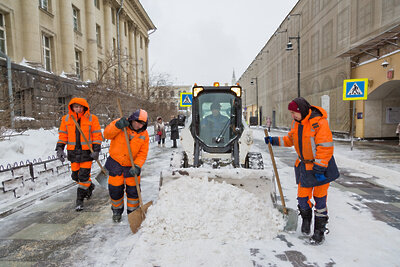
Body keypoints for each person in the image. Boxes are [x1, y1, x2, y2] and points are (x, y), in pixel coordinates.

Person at [264, 97, 339, 245]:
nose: (292, 116)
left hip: (320, 168)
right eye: (291, 113)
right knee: (302, 199)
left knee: (320, 200)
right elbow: (290, 140)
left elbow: (325, 146)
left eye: (294, 113)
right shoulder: (297, 124)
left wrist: (320, 166)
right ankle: (306, 218)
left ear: (302, 110)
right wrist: (274, 140)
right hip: (305, 167)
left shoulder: (318, 123)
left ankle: (319, 231)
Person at [55, 97, 102, 211]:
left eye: (80, 107)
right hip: (73, 153)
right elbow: (63, 135)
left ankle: (79, 200)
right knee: (75, 176)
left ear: (84, 107)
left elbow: (96, 135)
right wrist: (60, 149)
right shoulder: (66, 119)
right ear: (72, 107)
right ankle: (89, 186)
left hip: (87, 153)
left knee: (83, 176)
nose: (78, 109)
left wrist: (96, 150)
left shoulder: (92, 119)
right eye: (76, 106)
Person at [103, 109, 149, 222]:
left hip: (132, 166)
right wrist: (117, 127)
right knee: (115, 190)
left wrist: (137, 166)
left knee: (134, 192)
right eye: (137, 122)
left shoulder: (144, 134)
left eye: (142, 124)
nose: (139, 125)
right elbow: (107, 134)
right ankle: (117, 211)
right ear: (132, 119)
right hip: (115, 163)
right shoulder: (121, 123)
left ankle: (133, 214)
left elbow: (143, 153)